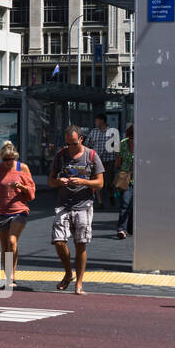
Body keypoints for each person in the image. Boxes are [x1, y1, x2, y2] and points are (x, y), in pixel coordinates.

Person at [48, 125, 104, 295]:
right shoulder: (61, 155)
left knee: (81, 244)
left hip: (84, 205)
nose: (70, 147)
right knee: (58, 241)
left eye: (73, 143)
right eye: (68, 144)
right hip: (64, 204)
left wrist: (83, 182)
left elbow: (100, 183)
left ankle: (79, 283)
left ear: (81, 139)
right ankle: (68, 273)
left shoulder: (91, 155)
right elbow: (51, 181)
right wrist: (60, 181)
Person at [0, 140, 35, 289]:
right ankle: (7, 277)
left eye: (10, 159)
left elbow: (32, 191)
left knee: (12, 241)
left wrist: (22, 187)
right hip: (1, 211)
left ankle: (12, 276)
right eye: (5, 160)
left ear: (15, 157)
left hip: (19, 210)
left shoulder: (22, 168)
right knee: (5, 246)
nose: (7, 162)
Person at [84, 115, 118, 210]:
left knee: (109, 182)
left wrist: (117, 160)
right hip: (97, 161)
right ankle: (100, 202)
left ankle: (111, 194)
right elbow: (87, 145)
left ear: (102, 121)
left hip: (109, 160)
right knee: (98, 182)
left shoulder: (113, 132)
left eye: (97, 120)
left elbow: (116, 148)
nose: (95, 122)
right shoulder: (93, 132)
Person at [115, 124, 134, 240]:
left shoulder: (144, 143)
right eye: (132, 136)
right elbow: (118, 161)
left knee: (134, 205)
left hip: (141, 177)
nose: (133, 140)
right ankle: (121, 228)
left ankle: (131, 228)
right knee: (125, 203)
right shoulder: (123, 143)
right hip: (127, 177)